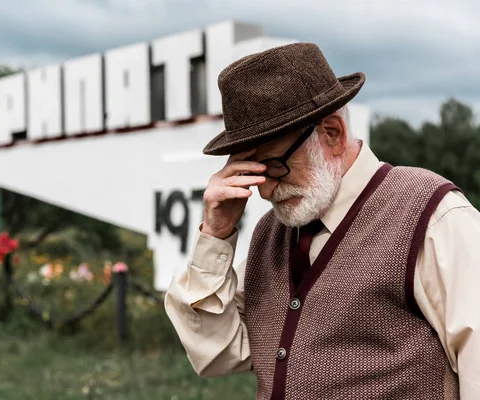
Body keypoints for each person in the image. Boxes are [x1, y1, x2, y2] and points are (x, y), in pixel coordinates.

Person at [164, 43, 480, 399]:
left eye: (272, 165)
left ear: (333, 133)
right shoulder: (272, 233)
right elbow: (217, 355)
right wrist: (216, 236)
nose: (265, 192)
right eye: (250, 172)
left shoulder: (433, 215)